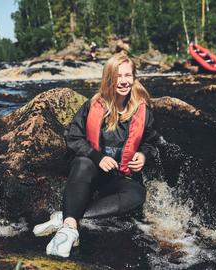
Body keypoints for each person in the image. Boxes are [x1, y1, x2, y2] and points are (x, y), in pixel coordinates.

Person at [33, 53, 159, 258]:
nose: (124, 81)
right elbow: (73, 138)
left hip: (120, 179)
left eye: (128, 75)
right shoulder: (93, 106)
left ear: (134, 78)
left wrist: (144, 155)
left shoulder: (143, 110)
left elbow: (150, 141)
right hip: (91, 175)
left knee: (138, 195)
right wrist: (97, 157)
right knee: (82, 162)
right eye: (118, 76)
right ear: (109, 78)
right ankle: (70, 229)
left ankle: (67, 216)